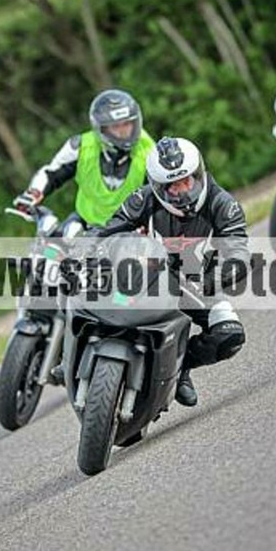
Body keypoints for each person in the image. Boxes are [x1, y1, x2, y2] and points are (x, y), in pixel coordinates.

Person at [86, 136, 250, 406]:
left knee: (229, 335)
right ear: (158, 187)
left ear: (199, 174)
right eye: (173, 186)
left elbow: (238, 252)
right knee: (86, 289)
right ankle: (77, 352)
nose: (183, 191)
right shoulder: (143, 199)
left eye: (187, 181)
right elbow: (108, 230)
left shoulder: (223, 204)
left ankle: (180, 367)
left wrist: (213, 280)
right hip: (146, 273)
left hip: (196, 283)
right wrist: (87, 252)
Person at [14, 89, 155, 235]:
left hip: (129, 229)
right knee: (58, 243)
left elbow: (159, 195)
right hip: (84, 222)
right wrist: (34, 193)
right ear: (101, 129)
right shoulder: (81, 147)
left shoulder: (151, 153)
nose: (123, 132)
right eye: (116, 126)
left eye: (127, 124)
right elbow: (51, 173)